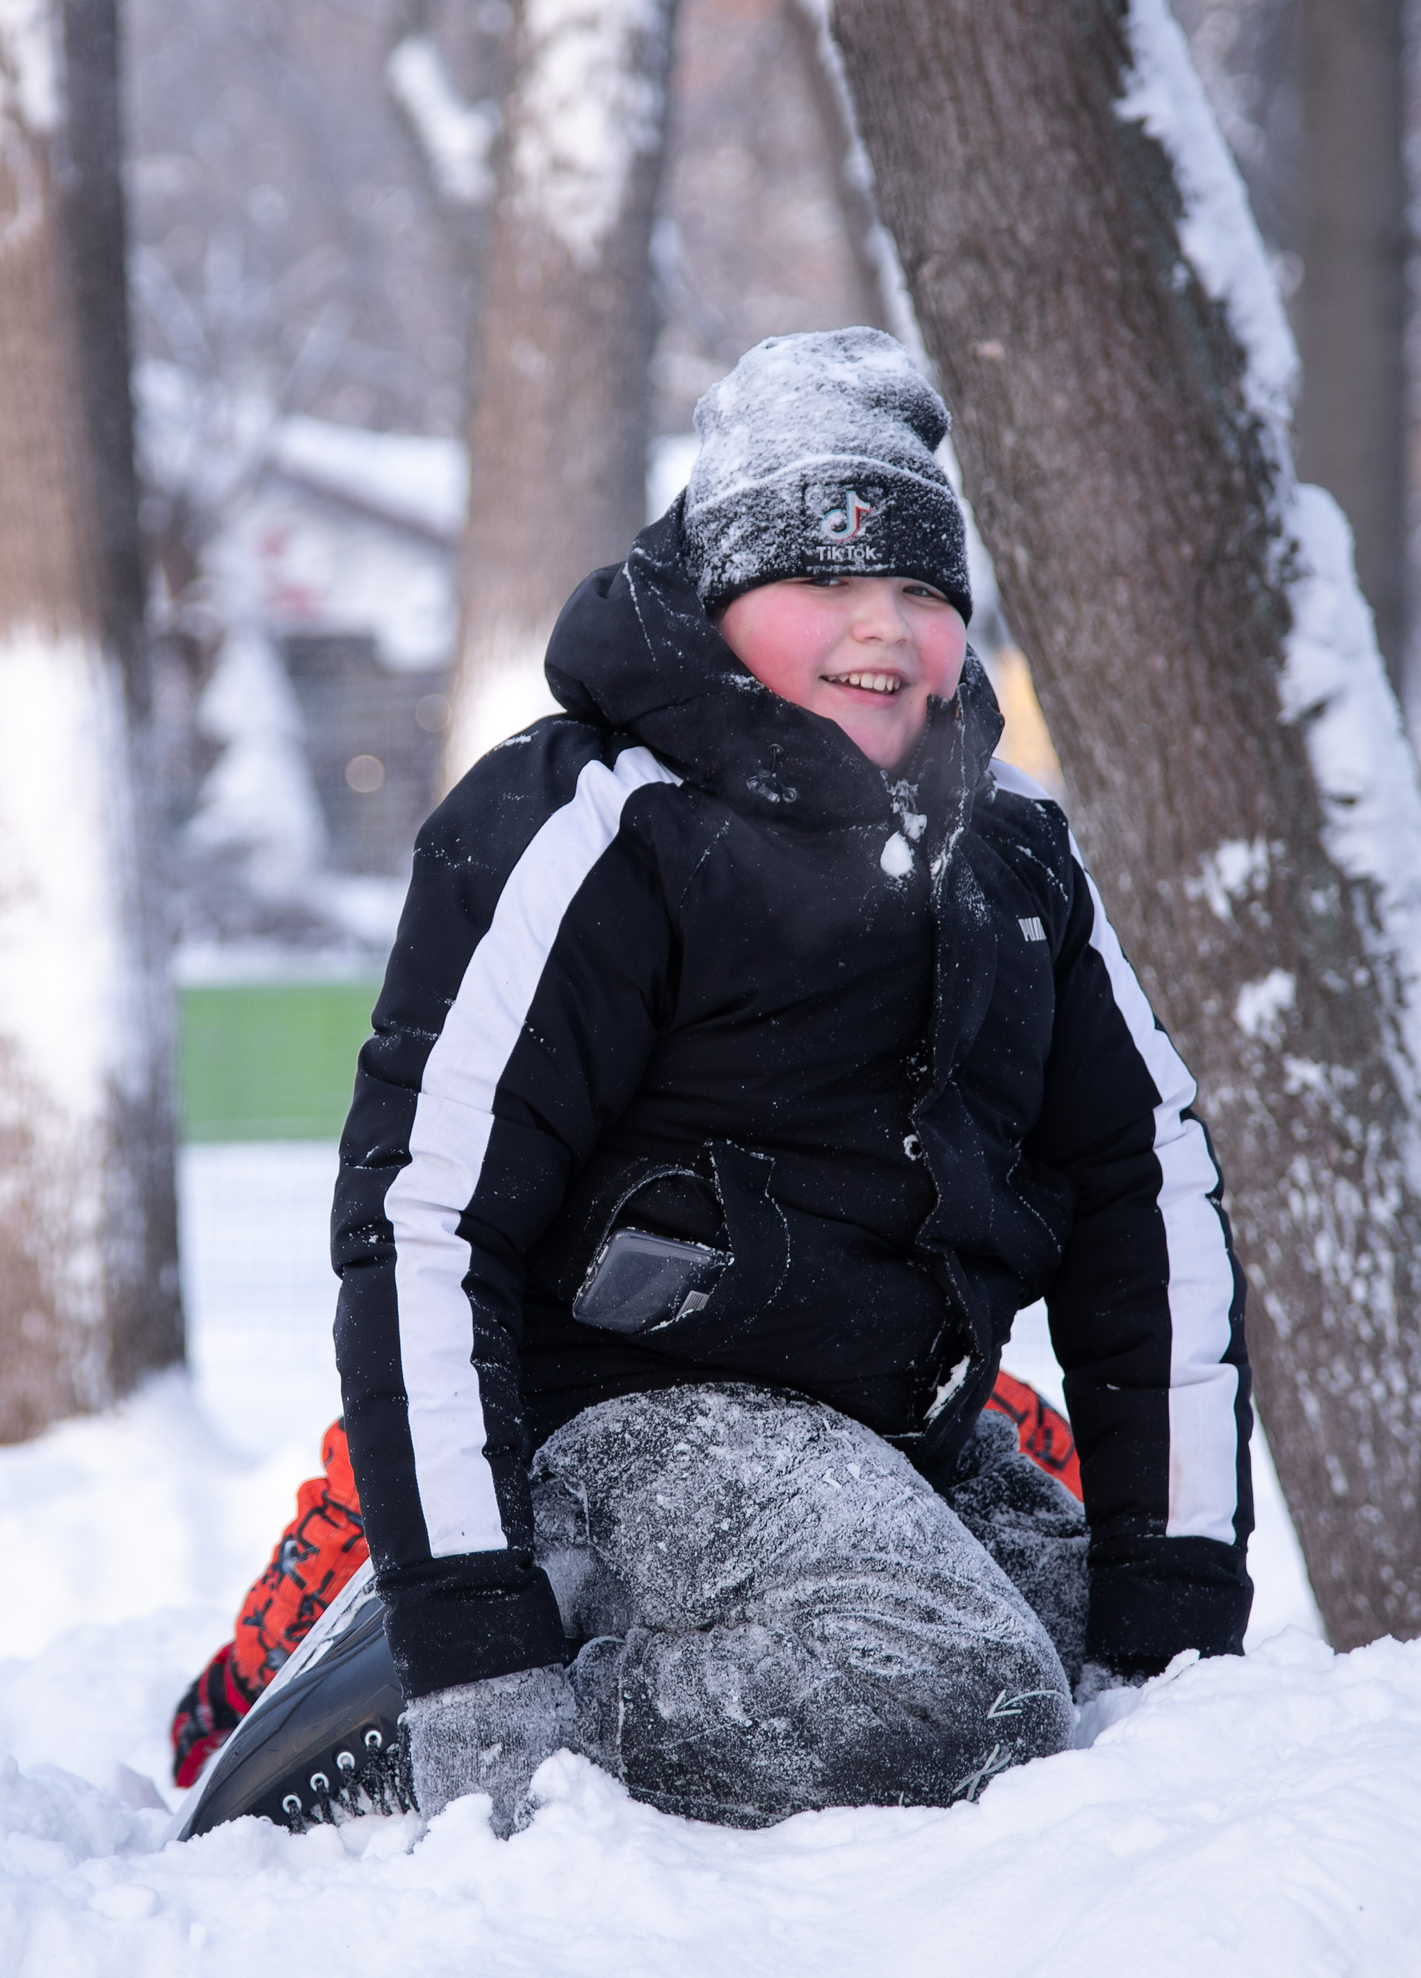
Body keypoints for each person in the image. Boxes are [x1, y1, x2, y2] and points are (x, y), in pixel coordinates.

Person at [192, 326, 1254, 1836]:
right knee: (957, 1697)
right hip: (621, 1419)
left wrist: (1176, 1614)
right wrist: (474, 1656)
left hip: (893, 1430)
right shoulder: (596, 828)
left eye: (916, 590)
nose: (876, 627)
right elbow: (426, 1222)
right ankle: (371, 1744)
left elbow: (1152, 1201)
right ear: (720, 597)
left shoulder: (1014, 855)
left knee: (1086, 1677)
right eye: (819, 582)